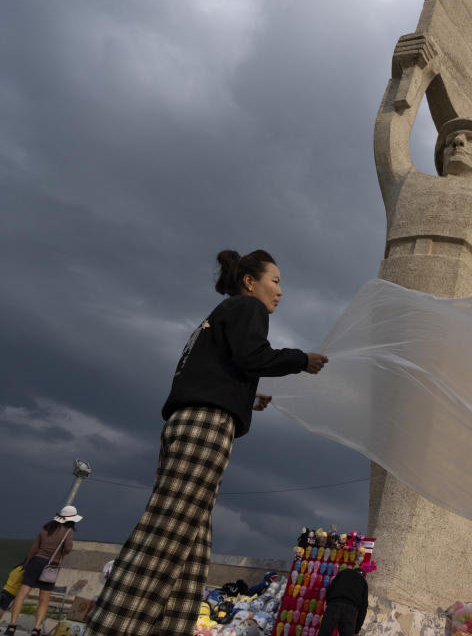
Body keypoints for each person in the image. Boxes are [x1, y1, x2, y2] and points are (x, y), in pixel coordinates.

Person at [86, 250, 328, 636]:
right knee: (164, 537)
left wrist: (246, 398)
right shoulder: (248, 308)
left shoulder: (218, 317)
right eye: (276, 281)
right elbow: (253, 356)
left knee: (191, 544)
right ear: (251, 281)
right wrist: (302, 360)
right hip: (205, 427)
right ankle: (113, 628)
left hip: (188, 423)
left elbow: (215, 369)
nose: (280, 291)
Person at [3, 506, 81, 636]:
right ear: (71, 519)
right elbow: (67, 549)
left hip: (35, 562)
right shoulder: (68, 531)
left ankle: (11, 626)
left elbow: (33, 549)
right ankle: (36, 629)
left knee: (21, 595)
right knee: (43, 600)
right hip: (50, 567)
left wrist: (27, 564)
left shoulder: (46, 528)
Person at [317, 567, 368, 636]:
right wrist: (356, 630)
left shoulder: (344, 572)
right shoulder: (364, 583)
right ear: (364, 577)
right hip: (351, 610)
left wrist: (330, 603)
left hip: (335, 604)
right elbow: (363, 607)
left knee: (324, 633)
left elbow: (330, 587)